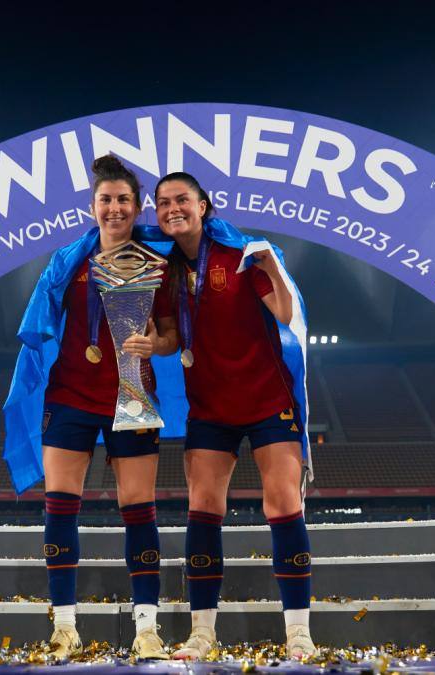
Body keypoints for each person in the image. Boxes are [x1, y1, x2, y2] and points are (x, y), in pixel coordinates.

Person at [9, 155, 178, 660]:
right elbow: (41, 326)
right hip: (71, 397)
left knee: (139, 510)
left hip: (133, 395)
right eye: (105, 199)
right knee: (60, 507)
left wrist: (158, 346)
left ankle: (147, 628)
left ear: (137, 205)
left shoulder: (159, 265)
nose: (114, 208)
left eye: (123, 199)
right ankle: (64, 627)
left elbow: (170, 334)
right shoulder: (68, 264)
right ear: (93, 206)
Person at [154, 172, 316, 660]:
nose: (172, 208)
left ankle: (299, 635)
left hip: (268, 399)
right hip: (210, 406)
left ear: (204, 206)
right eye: (162, 203)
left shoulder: (243, 254)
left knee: (283, 504)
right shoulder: (162, 272)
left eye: (182, 199)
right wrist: (146, 341)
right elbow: (169, 337)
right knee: (203, 508)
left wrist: (274, 268)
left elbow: (287, 314)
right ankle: (202, 634)